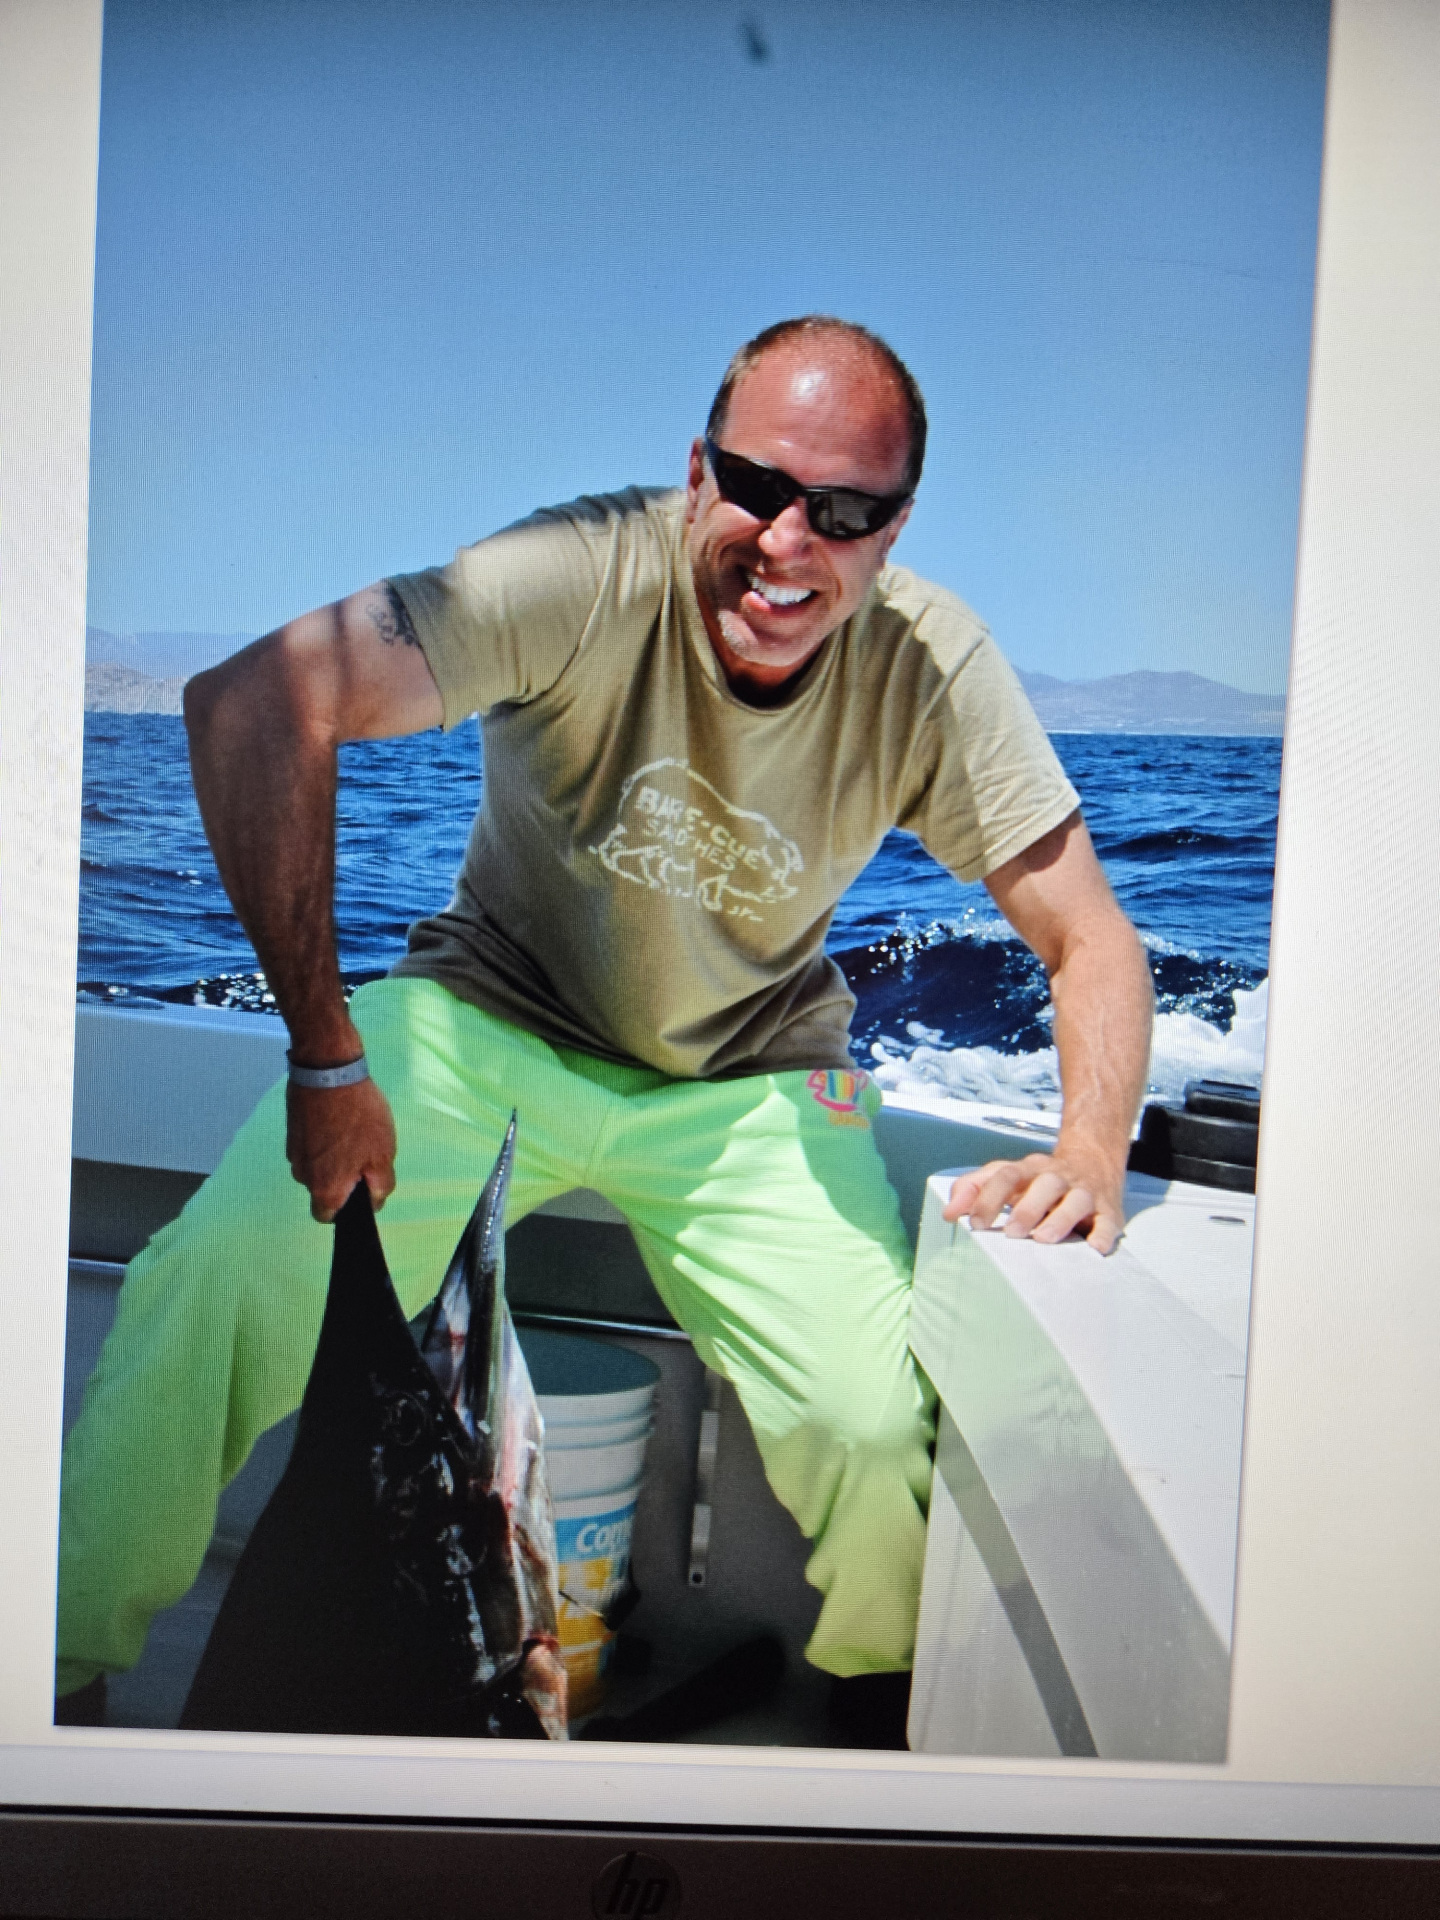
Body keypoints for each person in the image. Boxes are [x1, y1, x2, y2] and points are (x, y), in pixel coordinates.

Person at [55, 316, 1153, 1745]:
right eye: (758, 486)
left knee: (876, 1427)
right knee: (209, 1290)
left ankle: (871, 1736)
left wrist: (1091, 1147)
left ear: (894, 530)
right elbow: (255, 703)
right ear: (698, 473)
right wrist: (327, 1053)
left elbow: (1091, 938)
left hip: (748, 1086)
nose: (789, 542)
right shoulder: (577, 571)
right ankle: (51, 1680)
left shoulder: (934, 666)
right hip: (484, 1026)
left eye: (845, 513)